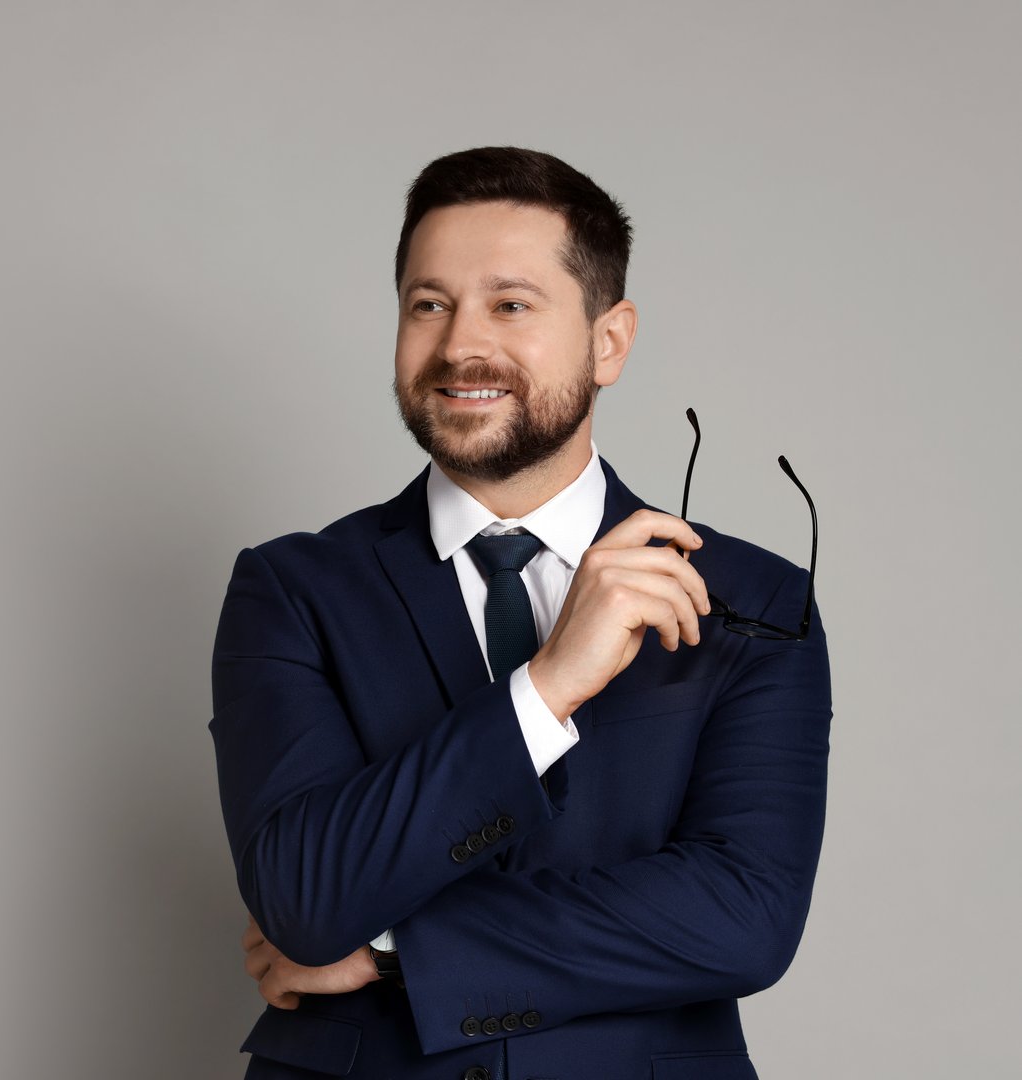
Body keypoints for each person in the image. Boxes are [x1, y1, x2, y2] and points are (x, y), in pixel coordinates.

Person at [208, 146, 830, 1080]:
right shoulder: (292, 588)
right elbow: (302, 894)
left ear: (608, 341)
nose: (460, 344)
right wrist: (545, 689)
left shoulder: (755, 600)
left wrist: (391, 948)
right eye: (428, 304)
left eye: (509, 304)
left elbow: (743, 919)